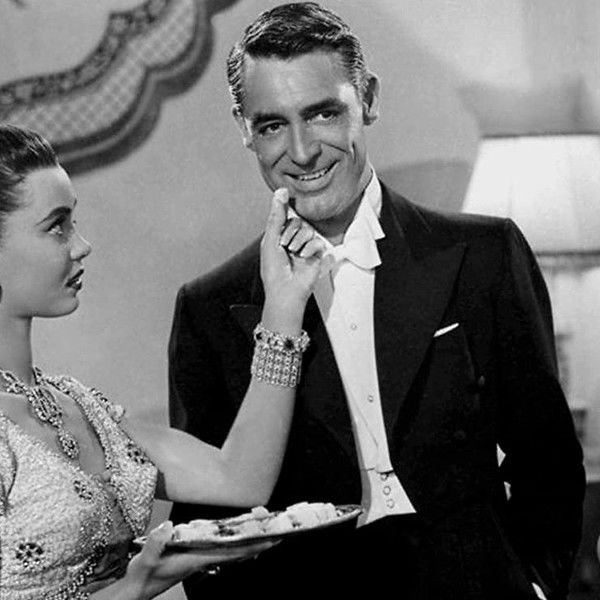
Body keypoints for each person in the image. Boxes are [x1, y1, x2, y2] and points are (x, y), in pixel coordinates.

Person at [168, 3, 586, 599]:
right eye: (272, 125)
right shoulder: (209, 309)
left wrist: (536, 586)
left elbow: (548, 461)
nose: (302, 152)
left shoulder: (484, 255)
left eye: (323, 113)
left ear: (367, 98)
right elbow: (206, 528)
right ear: (244, 128)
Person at [0, 123, 325, 599]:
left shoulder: (78, 406)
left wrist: (284, 304)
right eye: (57, 225)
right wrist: (140, 583)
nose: (82, 244)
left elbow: (240, 478)